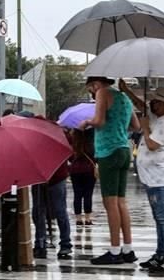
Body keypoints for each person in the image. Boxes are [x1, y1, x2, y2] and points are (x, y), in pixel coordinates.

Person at [121, 82, 164, 275]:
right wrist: (127, 90)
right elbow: (141, 105)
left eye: (158, 103)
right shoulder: (157, 117)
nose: (154, 106)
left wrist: (145, 128)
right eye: (154, 102)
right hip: (151, 176)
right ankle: (160, 254)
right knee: (158, 218)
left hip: (159, 176)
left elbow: (153, 144)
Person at [79, 77, 139, 265]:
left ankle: (114, 250)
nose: (91, 92)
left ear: (96, 84)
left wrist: (86, 122)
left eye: (90, 88)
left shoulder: (102, 93)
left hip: (108, 151)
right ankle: (127, 249)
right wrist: (118, 124)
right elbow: (136, 126)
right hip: (123, 150)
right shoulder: (124, 98)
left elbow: (99, 120)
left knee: (110, 203)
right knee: (121, 202)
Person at [31, 119, 73, 261]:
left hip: (51, 178)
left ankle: (42, 243)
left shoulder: (54, 134)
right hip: (48, 178)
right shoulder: (58, 133)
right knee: (50, 211)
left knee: (42, 211)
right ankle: (61, 244)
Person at [69, 128, 97, 227]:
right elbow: (96, 157)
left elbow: (70, 157)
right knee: (88, 195)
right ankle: (88, 218)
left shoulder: (74, 143)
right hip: (89, 170)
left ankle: (78, 219)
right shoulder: (91, 144)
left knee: (77, 195)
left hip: (75, 170)